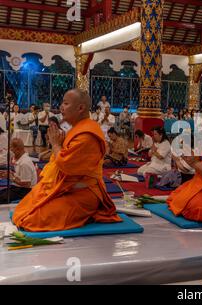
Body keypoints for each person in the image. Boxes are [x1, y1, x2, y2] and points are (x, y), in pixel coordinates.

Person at [13, 89, 121, 231]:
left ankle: (88, 213)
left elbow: (65, 165)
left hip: (82, 194)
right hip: (65, 188)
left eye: (65, 103)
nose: (61, 107)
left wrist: (56, 144)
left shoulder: (87, 134)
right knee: (23, 207)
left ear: (81, 108)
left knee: (31, 220)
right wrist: (60, 144)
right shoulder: (76, 129)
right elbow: (61, 158)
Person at [0, 138, 37, 203]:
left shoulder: (24, 163)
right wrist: (10, 173)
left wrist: (11, 177)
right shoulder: (20, 159)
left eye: (11, 147)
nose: (10, 149)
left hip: (26, 190)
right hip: (19, 187)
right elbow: (20, 176)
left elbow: (27, 184)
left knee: (2, 198)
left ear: (17, 149)